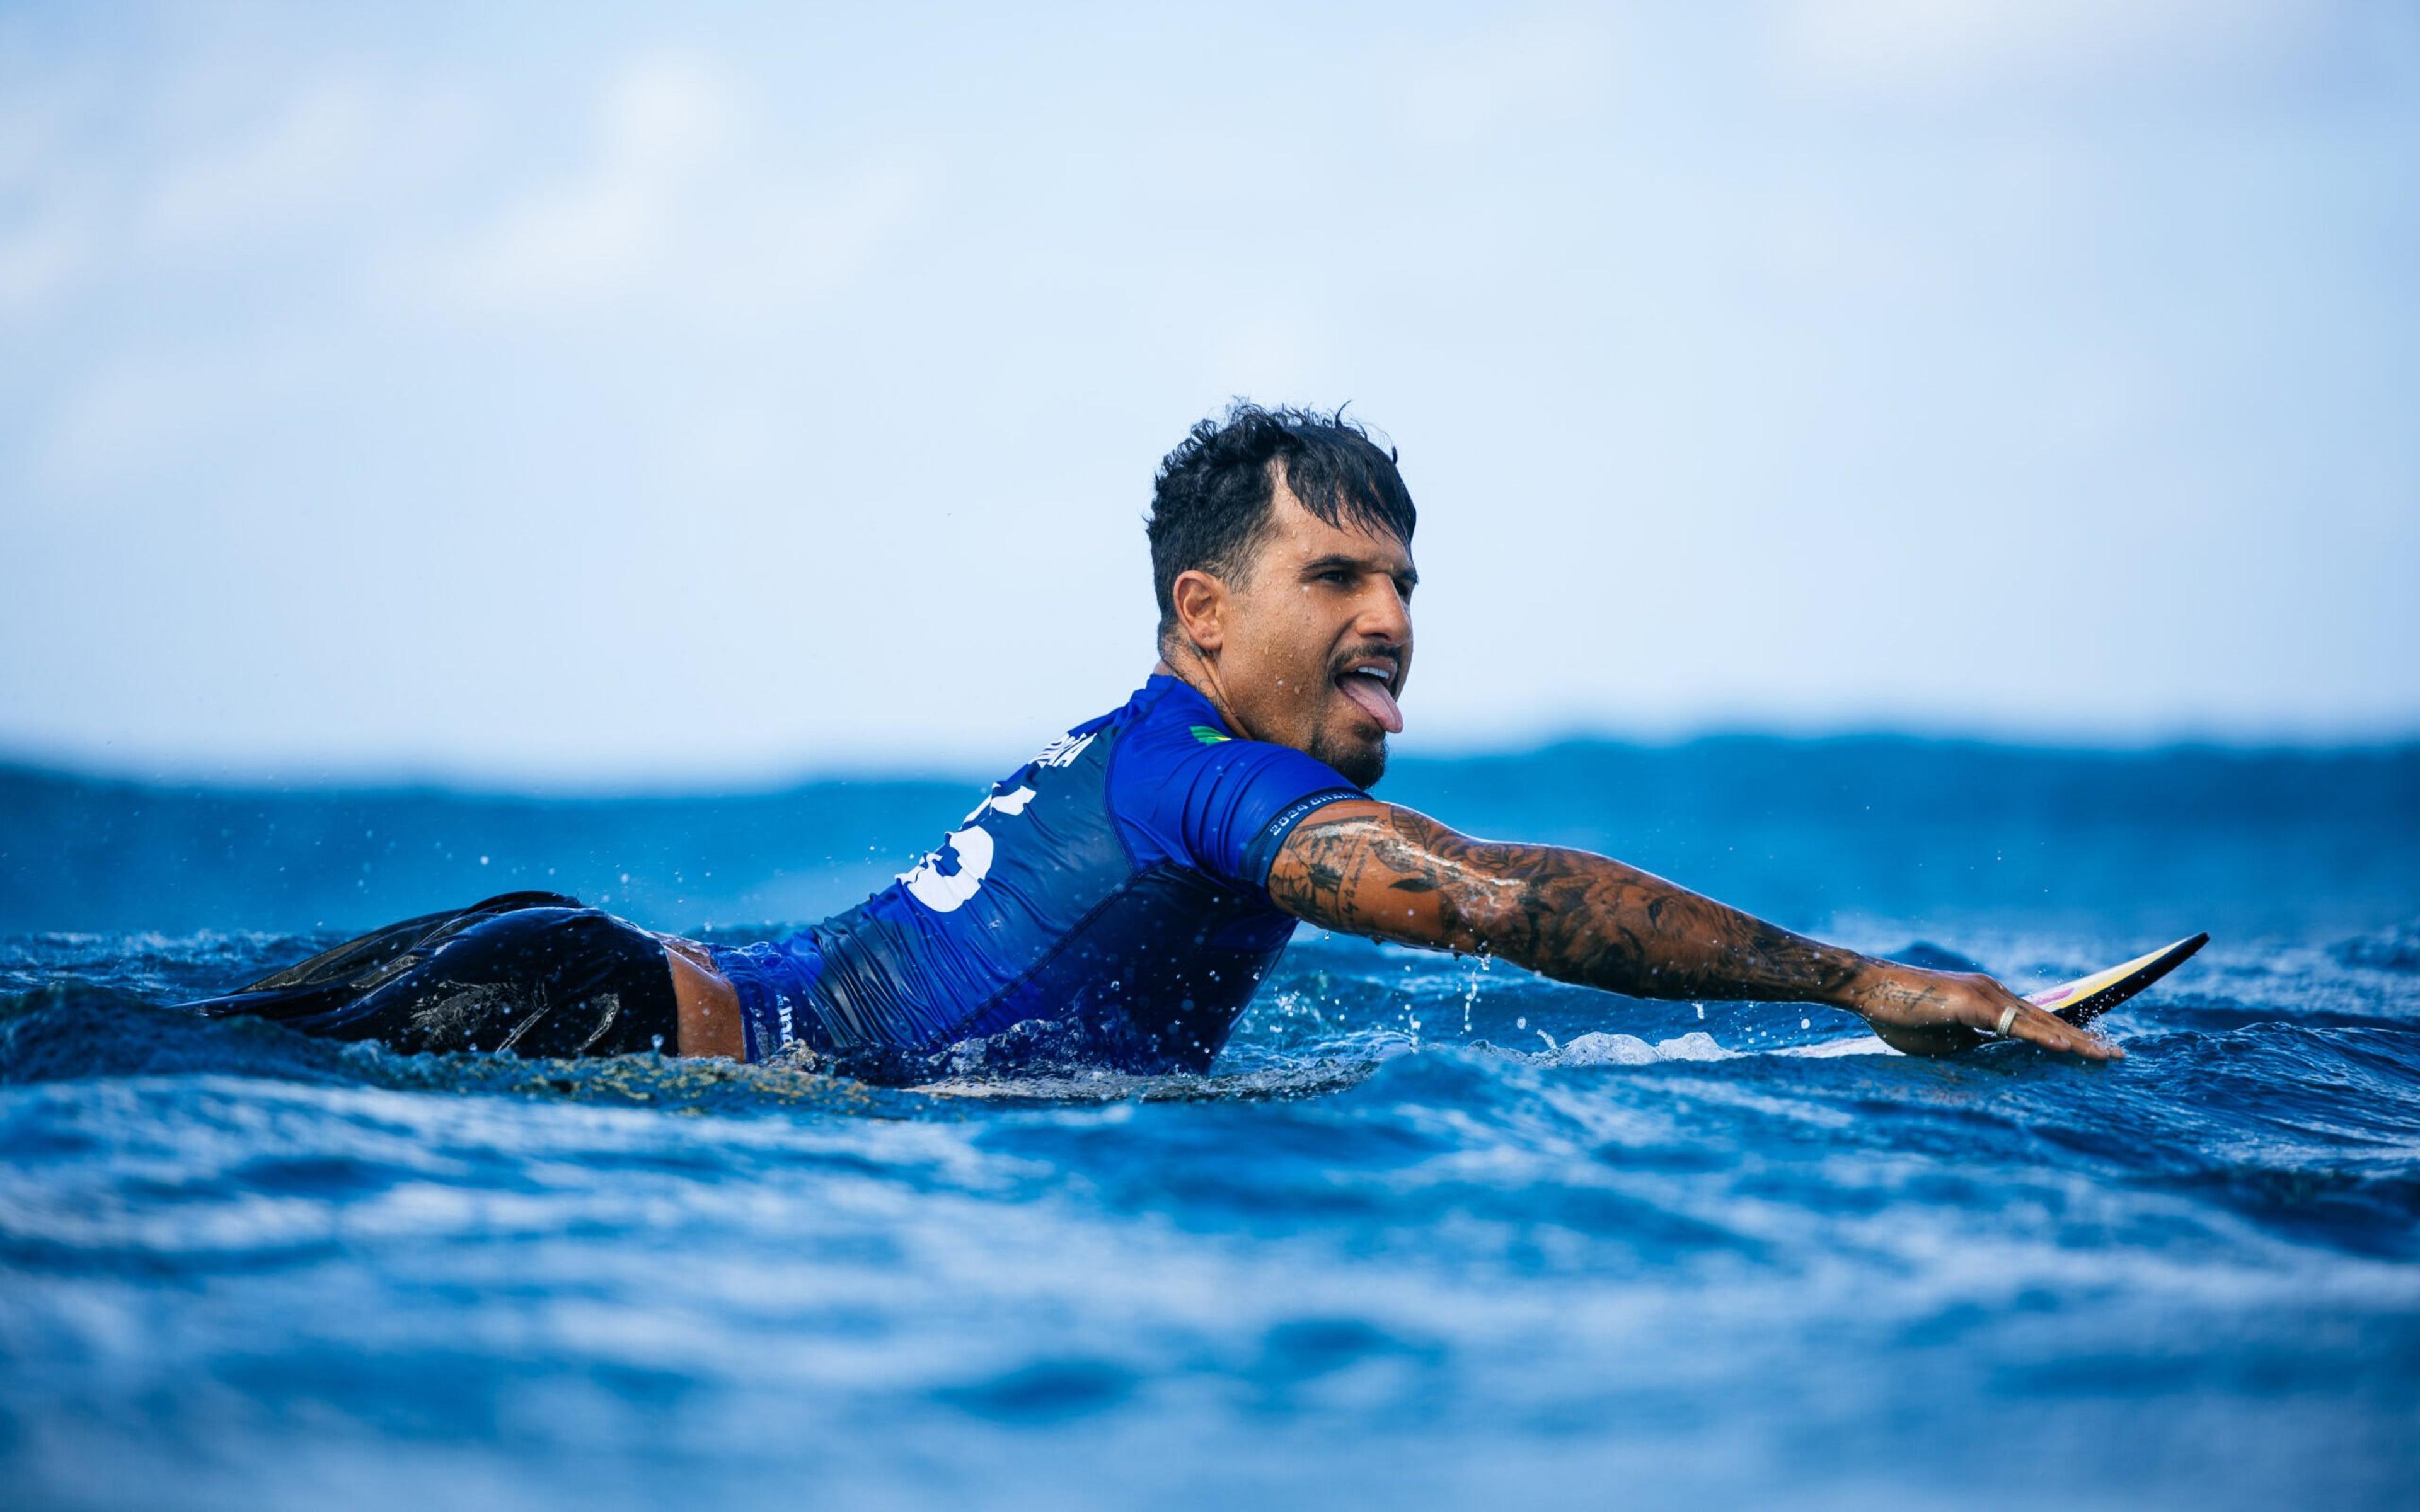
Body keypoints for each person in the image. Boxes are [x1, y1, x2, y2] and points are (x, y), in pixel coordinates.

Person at [186, 404, 2119, 1075]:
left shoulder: (1185, 768)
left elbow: (1497, 872)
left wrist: (1871, 977)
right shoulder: (1205, 783)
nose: (1393, 620)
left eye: (1409, 581)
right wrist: (1865, 981)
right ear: (1204, 615)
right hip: (605, 1022)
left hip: (582, 971)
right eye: (1337, 578)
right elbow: (1484, 910)